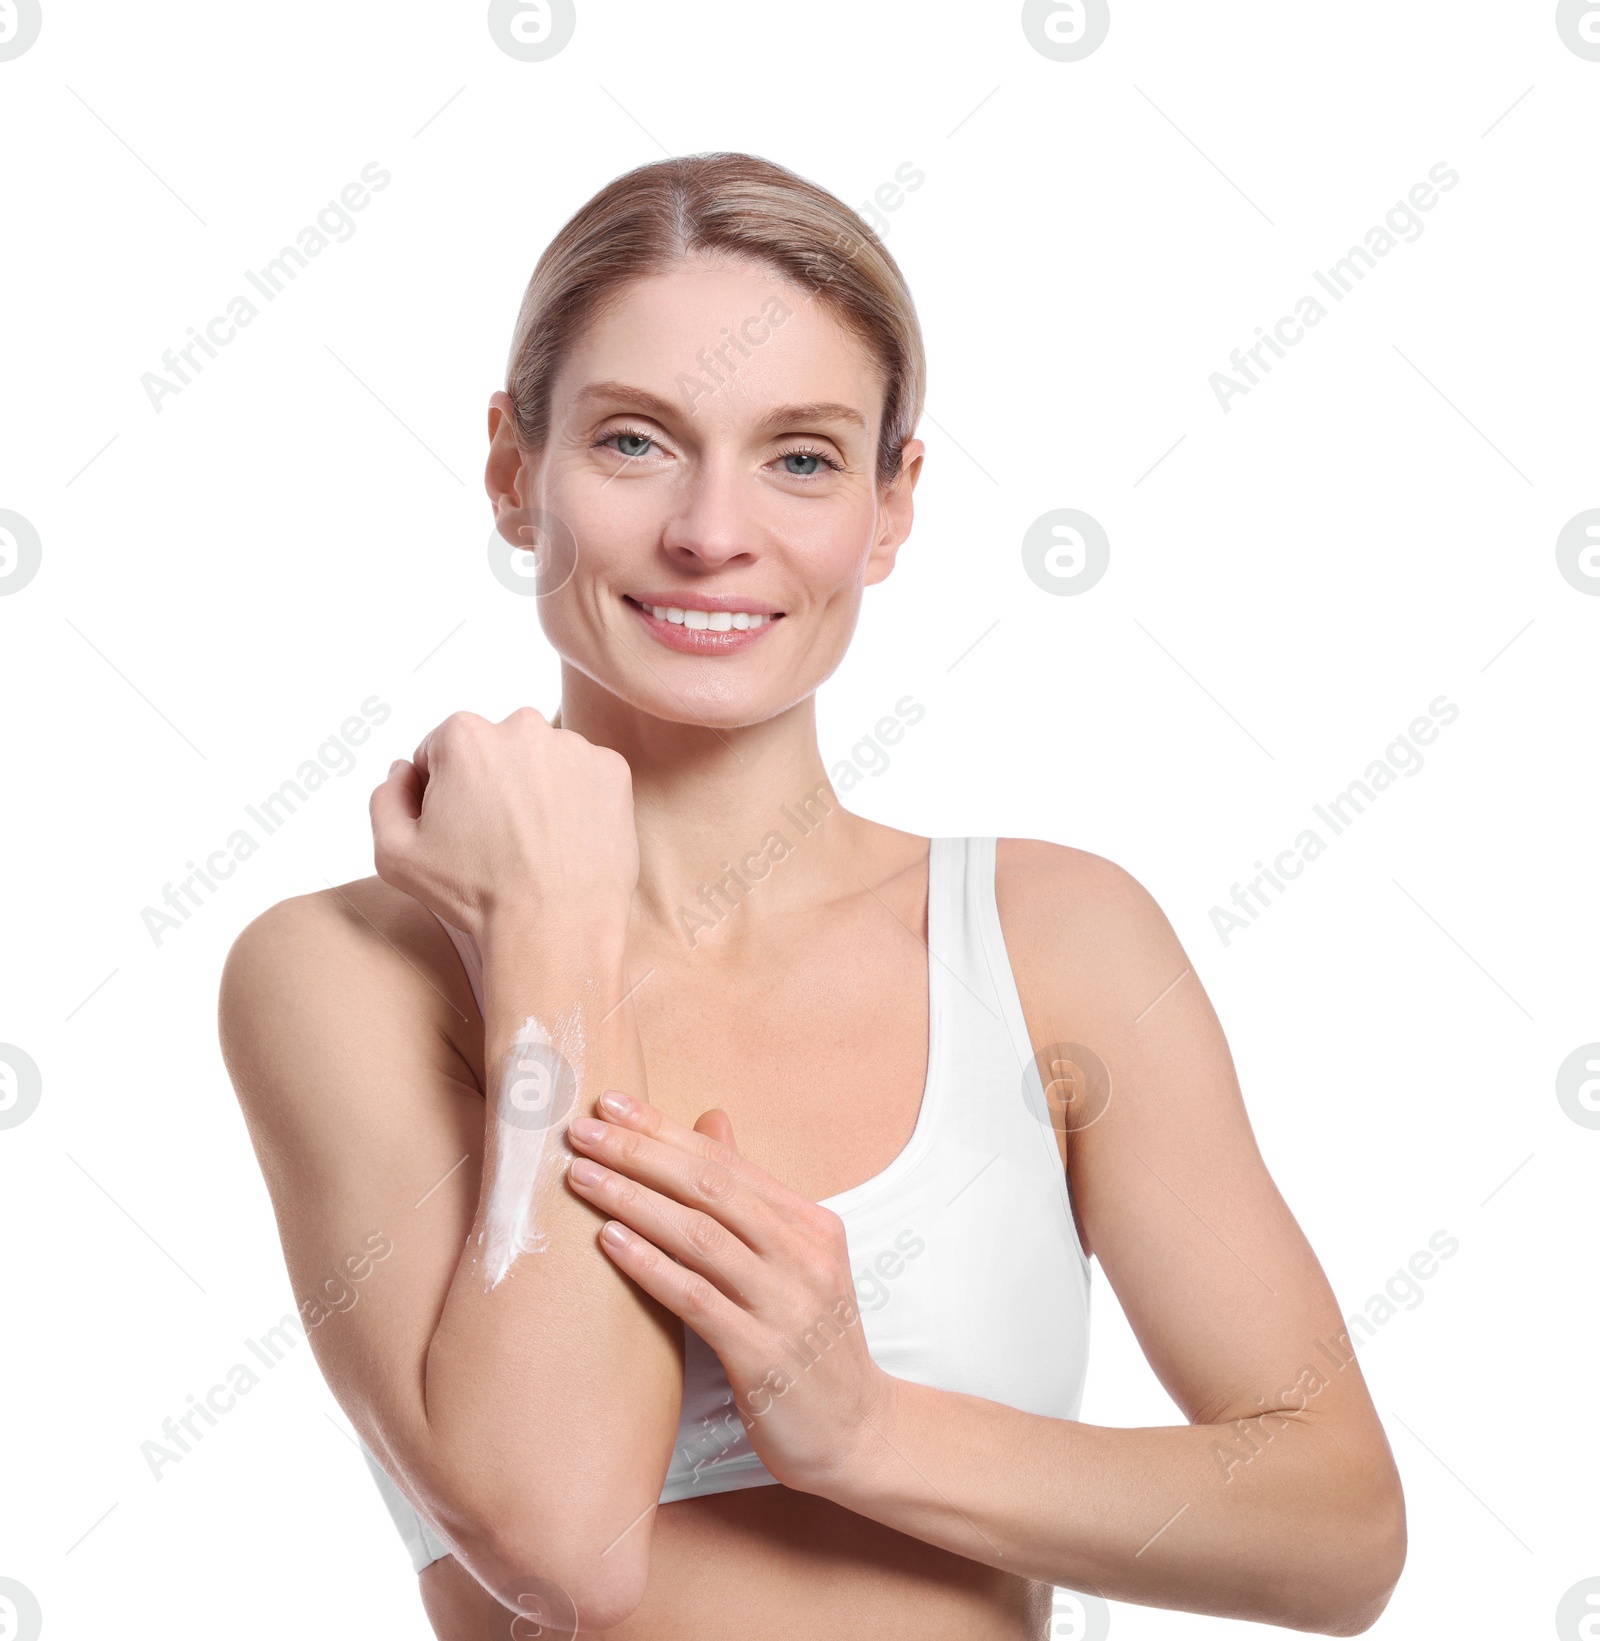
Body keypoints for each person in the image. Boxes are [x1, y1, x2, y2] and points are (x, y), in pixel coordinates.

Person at [218, 151, 1406, 1638]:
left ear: (892, 505)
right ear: (516, 471)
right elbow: (561, 1546)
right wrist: (557, 937)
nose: (715, 532)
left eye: (801, 457)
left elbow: (1338, 1528)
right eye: (638, 441)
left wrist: (865, 1430)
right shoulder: (343, 976)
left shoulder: (1050, 942)